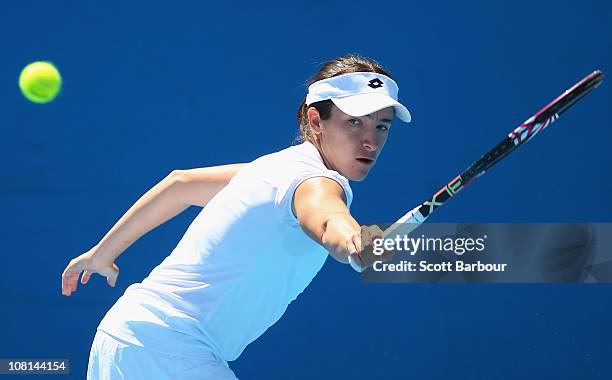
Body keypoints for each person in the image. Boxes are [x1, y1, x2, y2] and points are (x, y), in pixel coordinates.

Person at [61, 54, 412, 379]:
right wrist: (353, 241)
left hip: (122, 336)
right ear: (316, 120)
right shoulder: (313, 182)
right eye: (354, 122)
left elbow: (179, 184)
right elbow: (328, 219)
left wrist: (102, 253)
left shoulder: (272, 170)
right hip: (171, 351)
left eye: (381, 126)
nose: (370, 141)